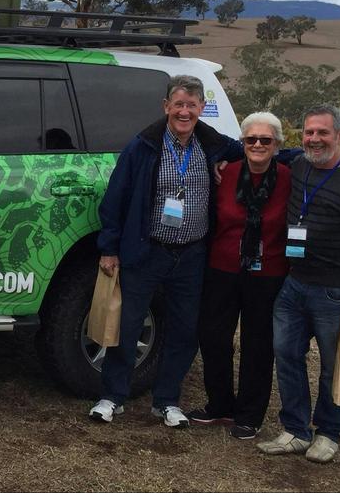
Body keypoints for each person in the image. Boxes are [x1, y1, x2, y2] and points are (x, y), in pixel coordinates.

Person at [89, 74, 247, 429]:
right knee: (127, 325)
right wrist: (109, 249)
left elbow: (253, 151)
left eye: (191, 105)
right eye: (178, 104)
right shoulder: (142, 145)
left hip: (192, 255)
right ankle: (112, 396)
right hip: (147, 251)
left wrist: (230, 163)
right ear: (166, 107)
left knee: (184, 330)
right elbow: (114, 199)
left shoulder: (213, 144)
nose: (184, 112)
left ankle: (167, 401)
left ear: (201, 108)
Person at [258, 104, 340, 464]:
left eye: (323, 132)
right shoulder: (299, 164)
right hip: (294, 284)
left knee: (334, 365)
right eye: (309, 132)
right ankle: (296, 430)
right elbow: (260, 148)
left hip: (336, 291)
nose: (315, 139)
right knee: (286, 355)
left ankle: (329, 432)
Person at [187, 112, 291, 440]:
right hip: (222, 268)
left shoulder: (290, 178)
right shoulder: (225, 173)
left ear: (277, 145)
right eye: (251, 139)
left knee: (258, 344)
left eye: (265, 140)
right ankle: (220, 404)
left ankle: (249, 414)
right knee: (213, 337)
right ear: (242, 142)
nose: (257, 145)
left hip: (268, 272)